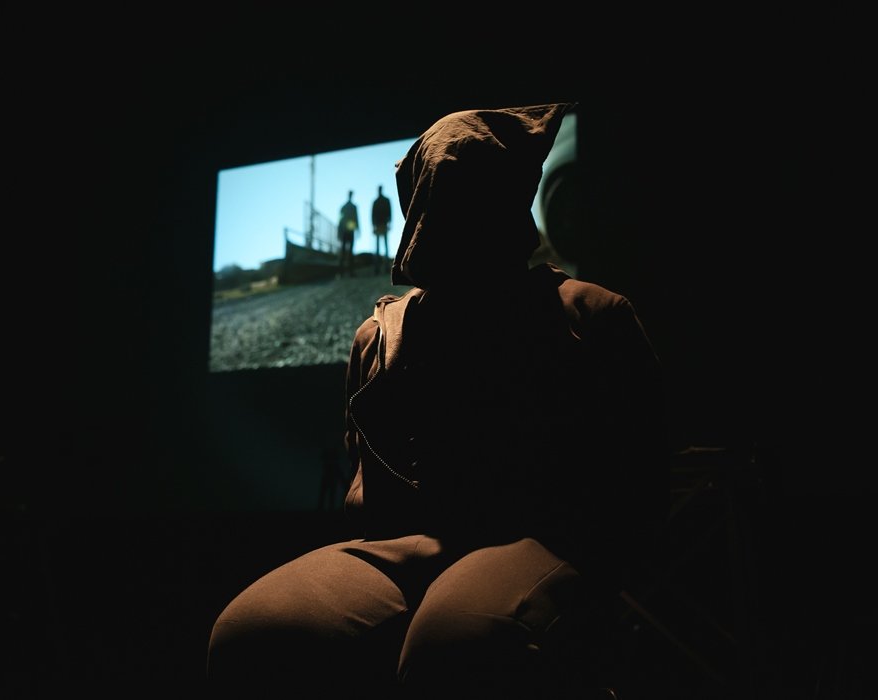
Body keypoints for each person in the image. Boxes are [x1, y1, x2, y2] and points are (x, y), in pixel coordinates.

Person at [206, 103, 670, 698]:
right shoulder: (381, 336)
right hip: (405, 539)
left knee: (460, 643)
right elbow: (365, 481)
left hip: (550, 533)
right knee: (251, 633)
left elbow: (640, 479)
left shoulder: (588, 315)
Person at [338, 190, 360, 277]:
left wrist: (339, 231)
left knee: (344, 252)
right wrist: (357, 229)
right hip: (349, 231)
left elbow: (340, 220)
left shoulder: (344, 207)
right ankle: (349, 272)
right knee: (349, 252)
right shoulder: (353, 207)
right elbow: (356, 218)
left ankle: (342, 272)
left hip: (346, 231)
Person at [371, 184, 392, 274]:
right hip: (382, 224)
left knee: (379, 246)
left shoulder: (376, 202)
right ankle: (383, 267)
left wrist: (373, 225)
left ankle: (379, 267)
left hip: (381, 224)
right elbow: (389, 213)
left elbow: (373, 215)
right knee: (382, 246)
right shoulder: (385, 200)